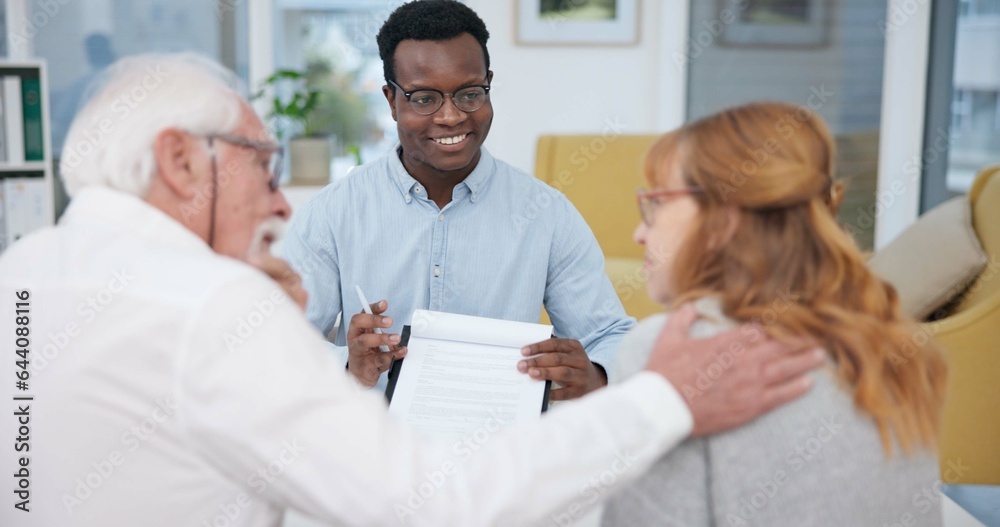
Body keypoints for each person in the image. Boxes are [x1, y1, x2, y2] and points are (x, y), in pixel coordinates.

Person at [0, 53, 824, 527]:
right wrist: (666, 401)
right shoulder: (214, 304)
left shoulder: (24, 270)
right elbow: (432, 502)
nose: (283, 200)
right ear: (182, 162)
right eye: (263, 164)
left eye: (470, 90)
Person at [600, 102, 948, 526]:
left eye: (655, 203)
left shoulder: (671, 347)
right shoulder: (882, 336)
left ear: (723, 220)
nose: (640, 232)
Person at [282, 0, 631, 398]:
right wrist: (347, 364)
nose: (451, 117)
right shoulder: (333, 213)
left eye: (469, 94)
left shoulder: (546, 214)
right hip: (374, 447)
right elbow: (278, 342)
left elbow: (610, 333)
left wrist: (599, 372)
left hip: (502, 443)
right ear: (391, 101)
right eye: (424, 98)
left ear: (488, 84)